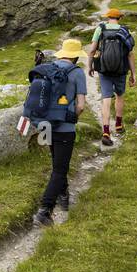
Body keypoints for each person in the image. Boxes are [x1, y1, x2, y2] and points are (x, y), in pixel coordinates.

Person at [31, 37, 87, 227]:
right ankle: (44, 211)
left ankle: (63, 196)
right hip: (64, 127)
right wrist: (74, 117)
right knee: (60, 168)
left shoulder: (48, 68)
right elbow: (81, 105)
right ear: (76, 57)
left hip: (44, 125)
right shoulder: (77, 73)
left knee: (56, 161)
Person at [88, 8, 136, 147]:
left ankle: (106, 132)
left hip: (104, 69)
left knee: (106, 99)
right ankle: (119, 125)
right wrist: (133, 74)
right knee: (120, 96)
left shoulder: (100, 29)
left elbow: (92, 50)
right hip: (121, 70)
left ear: (108, 17)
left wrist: (90, 66)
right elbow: (130, 54)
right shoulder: (124, 30)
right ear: (119, 18)